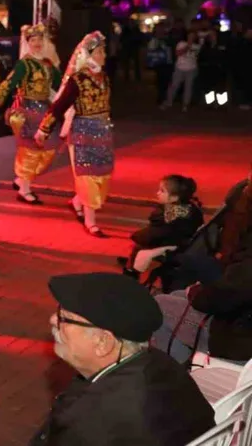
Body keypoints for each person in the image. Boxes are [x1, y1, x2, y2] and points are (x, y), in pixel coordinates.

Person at [31, 272, 215, 445]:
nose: (53, 320)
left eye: (65, 318)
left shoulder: (89, 420)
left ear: (103, 342)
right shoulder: (163, 365)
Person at [151, 173, 252, 365]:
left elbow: (230, 293)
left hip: (241, 335)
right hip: (239, 314)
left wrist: (197, 294)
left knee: (158, 306)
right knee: (178, 294)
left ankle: (177, 376)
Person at [36, 31, 113, 238]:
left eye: (103, 51)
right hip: (82, 133)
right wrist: (44, 129)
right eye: (99, 52)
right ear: (88, 55)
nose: (104, 55)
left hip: (103, 133)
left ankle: (78, 201)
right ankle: (90, 221)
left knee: (102, 173)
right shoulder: (77, 80)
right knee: (87, 175)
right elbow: (59, 106)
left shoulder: (104, 77)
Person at [0, 23, 62, 205]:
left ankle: (22, 179)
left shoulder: (48, 63)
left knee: (49, 148)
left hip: (45, 110)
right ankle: (24, 189)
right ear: (28, 43)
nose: (37, 43)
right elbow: (9, 82)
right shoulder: (24, 64)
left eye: (39, 40)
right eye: (33, 40)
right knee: (30, 151)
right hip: (28, 110)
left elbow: (60, 84)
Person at [119, 175, 203, 277]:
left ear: (174, 198)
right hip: (185, 242)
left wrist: (137, 236)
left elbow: (157, 234)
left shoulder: (167, 215)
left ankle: (131, 272)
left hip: (174, 244)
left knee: (139, 246)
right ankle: (131, 262)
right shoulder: (190, 208)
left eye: (162, 191)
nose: (158, 193)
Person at [161, 30, 200, 112]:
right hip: (180, 68)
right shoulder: (181, 44)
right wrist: (188, 46)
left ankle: (185, 104)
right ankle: (168, 102)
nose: (191, 38)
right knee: (174, 85)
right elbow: (178, 53)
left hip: (191, 69)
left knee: (188, 87)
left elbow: (196, 56)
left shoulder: (197, 46)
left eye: (193, 36)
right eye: (190, 36)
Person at [145, 23, 174, 106]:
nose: (160, 31)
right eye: (158, 29)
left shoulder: (168, 39)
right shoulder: (153, 40)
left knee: (167, 80)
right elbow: (150, 50)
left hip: (168, 62)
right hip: (159, 63)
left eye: (161, 29)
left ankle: (166, 96)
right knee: (160, 80)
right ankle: (161, 97)